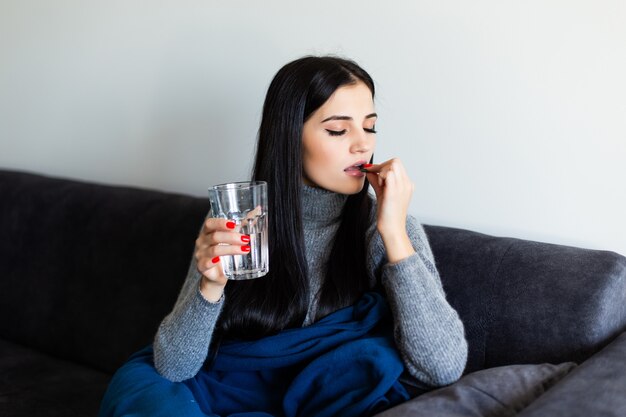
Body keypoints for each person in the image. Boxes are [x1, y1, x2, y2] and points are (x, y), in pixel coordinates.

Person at [102, 56, 468, 417]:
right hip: (222, 388)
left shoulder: (386, 227)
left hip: (319, 398)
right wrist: (209, 287)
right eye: (339, 130)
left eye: (370, 127)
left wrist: (394, 234)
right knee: (145, 391)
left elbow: (443, 367)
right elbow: (175, 368)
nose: (362, 145)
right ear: (290, 136)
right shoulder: (237, 216)